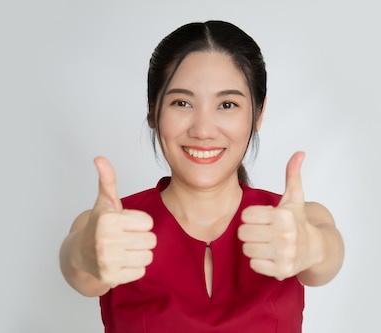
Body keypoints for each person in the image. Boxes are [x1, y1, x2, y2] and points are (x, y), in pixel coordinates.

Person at [59, 20, 344, 332]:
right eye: (182, 102)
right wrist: (83, 253)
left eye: (227, 104)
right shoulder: (107, 228)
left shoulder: (296, 224)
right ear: (153, 110)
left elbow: (327, 257)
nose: (203, 130)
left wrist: (312, 245)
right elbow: (77, 264)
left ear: (258, 114)